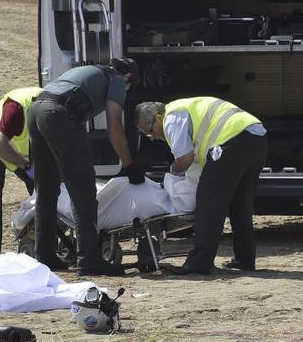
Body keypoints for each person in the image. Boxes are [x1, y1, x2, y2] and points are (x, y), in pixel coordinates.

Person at [29, 58, 142, 276]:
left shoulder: (88, 70)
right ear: (128, 77)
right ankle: (89, 260)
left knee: (47, 190)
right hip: (59, 115)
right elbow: (114, 126)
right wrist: (129, 164)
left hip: (35, 111)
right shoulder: (117, 79)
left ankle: (45, 257)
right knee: (83, 189)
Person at [135, 98, 267, 274]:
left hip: (233, 139)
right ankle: (244, 260)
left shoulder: (171, 118)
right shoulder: (185, 109)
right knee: (239, 204)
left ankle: (199, 263)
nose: (152, 138)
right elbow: (197, 162)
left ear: (158, 118)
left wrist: (172, 171)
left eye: (150, 131)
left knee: (208, 200)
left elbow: (185, 159)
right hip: (256, 137)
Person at [0, 86, 42, 255]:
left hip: (14, 147)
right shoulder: (16, 109)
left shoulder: (50, 109)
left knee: (42, 191)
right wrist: (24, 165)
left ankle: (44, 243)